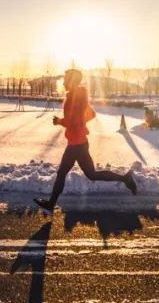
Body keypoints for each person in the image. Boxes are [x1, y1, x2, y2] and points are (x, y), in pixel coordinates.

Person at [34, 68, 137, 213]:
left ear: (71, 81)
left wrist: (59, 121)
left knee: (64, 173)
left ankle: (51, 204)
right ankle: (125, 179)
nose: (63, 83)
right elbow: (91, 114)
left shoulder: (73, 98)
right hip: (79, 141)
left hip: (76, 144)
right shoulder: (80, 96)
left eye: (65, 79)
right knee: (90, 174)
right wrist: (79, 122)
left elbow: (71, 121)